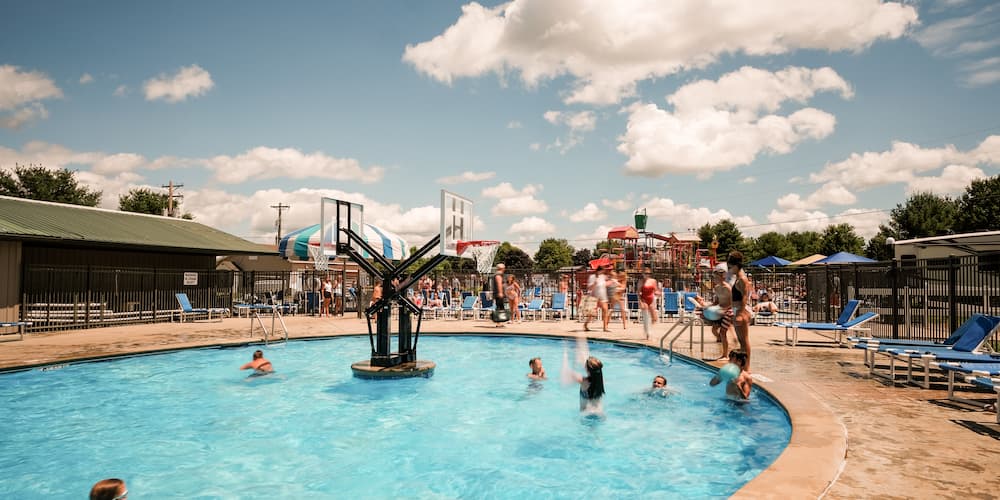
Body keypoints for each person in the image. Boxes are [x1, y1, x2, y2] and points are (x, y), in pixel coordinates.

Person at [694, 264, 734, 361]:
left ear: (721, 277)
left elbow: (732, 302)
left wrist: (723, 310)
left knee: (723, 332)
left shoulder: (728, 288)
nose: (714, 279)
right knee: (714, 330)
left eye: (715, 277)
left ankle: (726, 355)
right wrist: (707, 306)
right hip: (719, 310)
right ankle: (725, 347)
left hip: (728, 311)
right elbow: (716, 302)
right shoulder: (717, 288)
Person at [728, 251, 753, 371]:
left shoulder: (742, 279)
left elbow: (745, 296)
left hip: (741, 311)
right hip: (737, 309)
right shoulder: (738, 278)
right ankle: (743, 366)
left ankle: (747, 367)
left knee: (744, 340)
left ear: (736, 265)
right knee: (741, 341)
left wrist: (741, 313)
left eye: (730, 267)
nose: (730, 270)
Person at [639, 268, 658, 339]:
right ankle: (648, 333)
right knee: (646, 316)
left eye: (648, 274)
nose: (647, 275)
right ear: (643, 274)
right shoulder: (641, 282)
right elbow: (638, 293)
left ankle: (648, 329)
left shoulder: (653, 281)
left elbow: (656, 290)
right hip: (644, 299)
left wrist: (657, 294)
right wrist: (640, 301)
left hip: (651, 299)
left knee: (654, 318)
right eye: (646, 273)